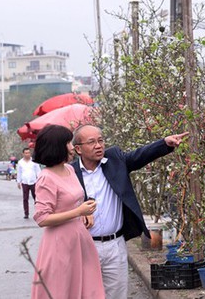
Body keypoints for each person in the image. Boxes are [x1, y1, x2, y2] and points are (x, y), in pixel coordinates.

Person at [70, 125, 188, 299]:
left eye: (100, 140)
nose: (98, 145)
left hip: (114, 244)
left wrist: (165, 144)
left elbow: (140, 155)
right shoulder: (70, 173)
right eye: (92, 142)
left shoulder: (114, 160)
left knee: (117, 294)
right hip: (85, 246)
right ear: (78, 149)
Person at [32, 124, 105, 299]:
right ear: (58, 146)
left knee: (88, 289)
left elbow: (73, 201)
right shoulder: (46, 178)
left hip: (79, 239)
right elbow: (42, 218)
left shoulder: (70, 169)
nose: (72, 147)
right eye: (68, 143)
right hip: (59, 244)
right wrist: (78, 212)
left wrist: (84, 211)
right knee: (62, 291)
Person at [16, 147, 42, 219]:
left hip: (33, 181)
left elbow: (38, 171)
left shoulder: (34, 161)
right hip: (25, 182)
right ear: (23, 154)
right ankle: (26, 213)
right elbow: (19, 172)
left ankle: (38, 211)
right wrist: (19, 181)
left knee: (36, 198)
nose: (27, 154)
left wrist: (39, 179)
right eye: (26, 153)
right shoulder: (20, 162)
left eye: (28, 153)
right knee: (25, 198)